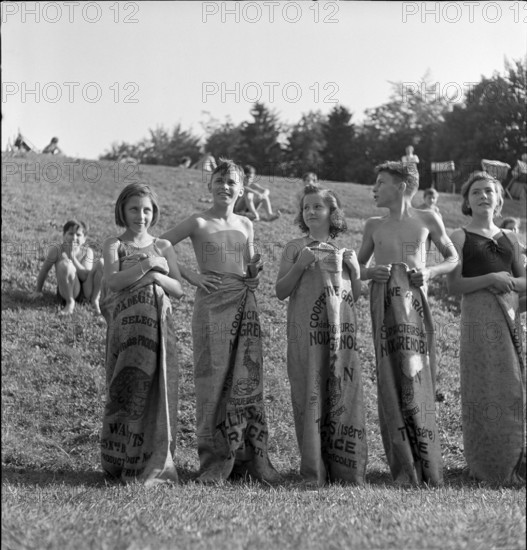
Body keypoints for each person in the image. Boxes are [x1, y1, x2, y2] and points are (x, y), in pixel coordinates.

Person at [161, 158, 280, 484]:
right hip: (212, 304)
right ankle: (214, 461)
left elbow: (248, 265)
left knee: (246, 378)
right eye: (219, 181)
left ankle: (246, 459)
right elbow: (160, 245)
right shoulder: (198, 221)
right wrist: (190, 275)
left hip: (244, 301)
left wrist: (254, 271)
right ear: (209, 185)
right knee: (211, 380)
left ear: (242, 189)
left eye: (232, 183)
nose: (225, 187)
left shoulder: (246, 224)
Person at [357, 161, 458, 486]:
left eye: (380, 182)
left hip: (417, 311)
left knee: (418, 378)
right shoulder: (374, 225)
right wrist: (372, 272)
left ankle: (429, 463)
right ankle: (402, 467)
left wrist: (429, 272)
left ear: (401, 186)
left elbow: (452, 257)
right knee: (389, 381)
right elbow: (356, 268)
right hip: (384, 310)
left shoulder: (428, 218)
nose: (374, 188)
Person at [275, 184, 367, 487]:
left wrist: (355, 271)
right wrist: (300, 266)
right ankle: (313, 470)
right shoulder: (294, 247)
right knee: (308, 396)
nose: (311, 211)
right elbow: (280, 292)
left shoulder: (344, 251)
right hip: (305, 338)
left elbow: (356, 295)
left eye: (317, 206)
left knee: (340, 396)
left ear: (332, 212)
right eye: (306, 207)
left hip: (340, 338)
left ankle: (344, 469)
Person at [99, 183, 184, 485]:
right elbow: (112, 281)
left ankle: (154, 461)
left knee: (157, 391)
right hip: (126, 336)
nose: (141, 215)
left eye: (147, 209)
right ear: (123, 209)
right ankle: (118, 460)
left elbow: (179, 288)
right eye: (134, 209)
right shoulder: (114, 243)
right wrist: (147, 266)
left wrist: (158, 276)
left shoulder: (163, 246)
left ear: (154, 212)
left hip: (159, 334)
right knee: (125, 390)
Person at [447, 172, 526, 484]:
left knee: (511, 383)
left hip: (509, 314)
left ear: (499, 199)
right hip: (478, 318)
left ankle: (514, 462)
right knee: (483, 385)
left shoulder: (511, 239)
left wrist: (505, 282)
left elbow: (523, 280)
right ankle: (486, 465)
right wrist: (490, 279)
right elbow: (455, 285)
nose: (483, 196)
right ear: (467, 201)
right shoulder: (459, 237)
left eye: (489, 192)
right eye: (476, 192)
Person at [30, 220, 102, 315]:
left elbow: (85, 276)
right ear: (64, 236)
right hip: (68, 290)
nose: (74, 238)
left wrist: (72, 256)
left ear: (84, 238)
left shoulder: (87, 252)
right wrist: (38, 291)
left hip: (86, 290)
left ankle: (94, 300)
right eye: (70, 234)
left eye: (78, 235)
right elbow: (44, 270)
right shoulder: (56, 250)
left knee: (102, 263)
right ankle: (70, 302)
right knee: (65, 264)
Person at [415, 188, 443, 253]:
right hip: (421, 232)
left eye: (434, 198)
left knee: (427, 248)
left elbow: (439, 220)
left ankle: (424, 258)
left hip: (431, 232)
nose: (431, 200)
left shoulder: (435, 209)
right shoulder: (420, 209)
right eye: (429, 198)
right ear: (424, 198)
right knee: (420, 247)